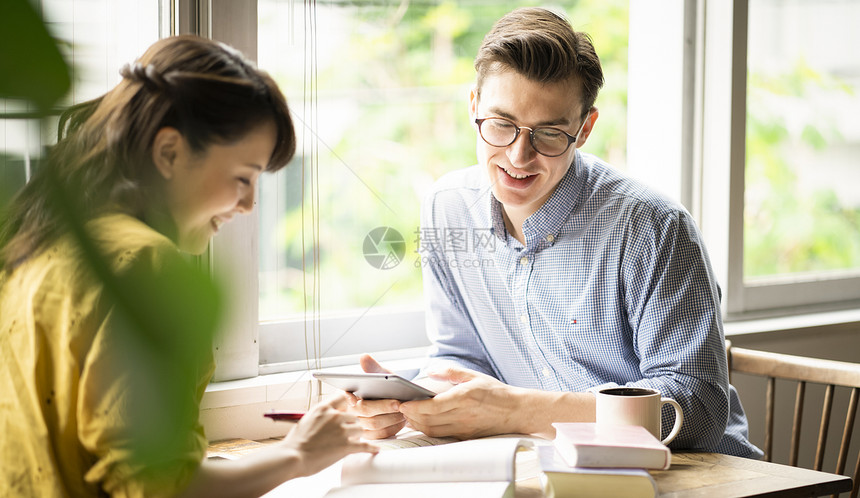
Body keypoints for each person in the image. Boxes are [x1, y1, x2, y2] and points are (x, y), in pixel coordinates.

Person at [350, 7, 763, 459]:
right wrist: (414, 399)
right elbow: (462, 357)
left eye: (548, 133)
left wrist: (516, 411)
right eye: (501, 124)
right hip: (559, 466)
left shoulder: (654, 227)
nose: (519, 156)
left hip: (701, 476)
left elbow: (696, 412)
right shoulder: (447, 207)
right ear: (474, 106)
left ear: (584, 129)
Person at [0, 35, 376, 498]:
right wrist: (295, 455)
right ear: (170, 153)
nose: (249, 204)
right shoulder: (147, 267)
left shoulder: (33, 245)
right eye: (243, 178)